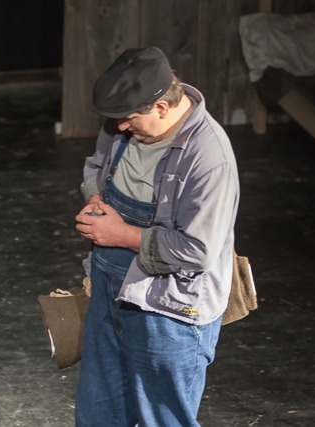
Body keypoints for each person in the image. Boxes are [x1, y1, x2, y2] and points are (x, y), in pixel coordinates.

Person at [74, 47, 240, 427]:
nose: (119, 128)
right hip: (109, 286)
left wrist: (120, 234)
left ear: (162, 108)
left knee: (162, 419)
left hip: (169, 308)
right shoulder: (123, 124)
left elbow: (197, 250)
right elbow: (96, 166)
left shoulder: (209, 158)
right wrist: (96, 198)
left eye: (129, 119)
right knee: (100, 410)